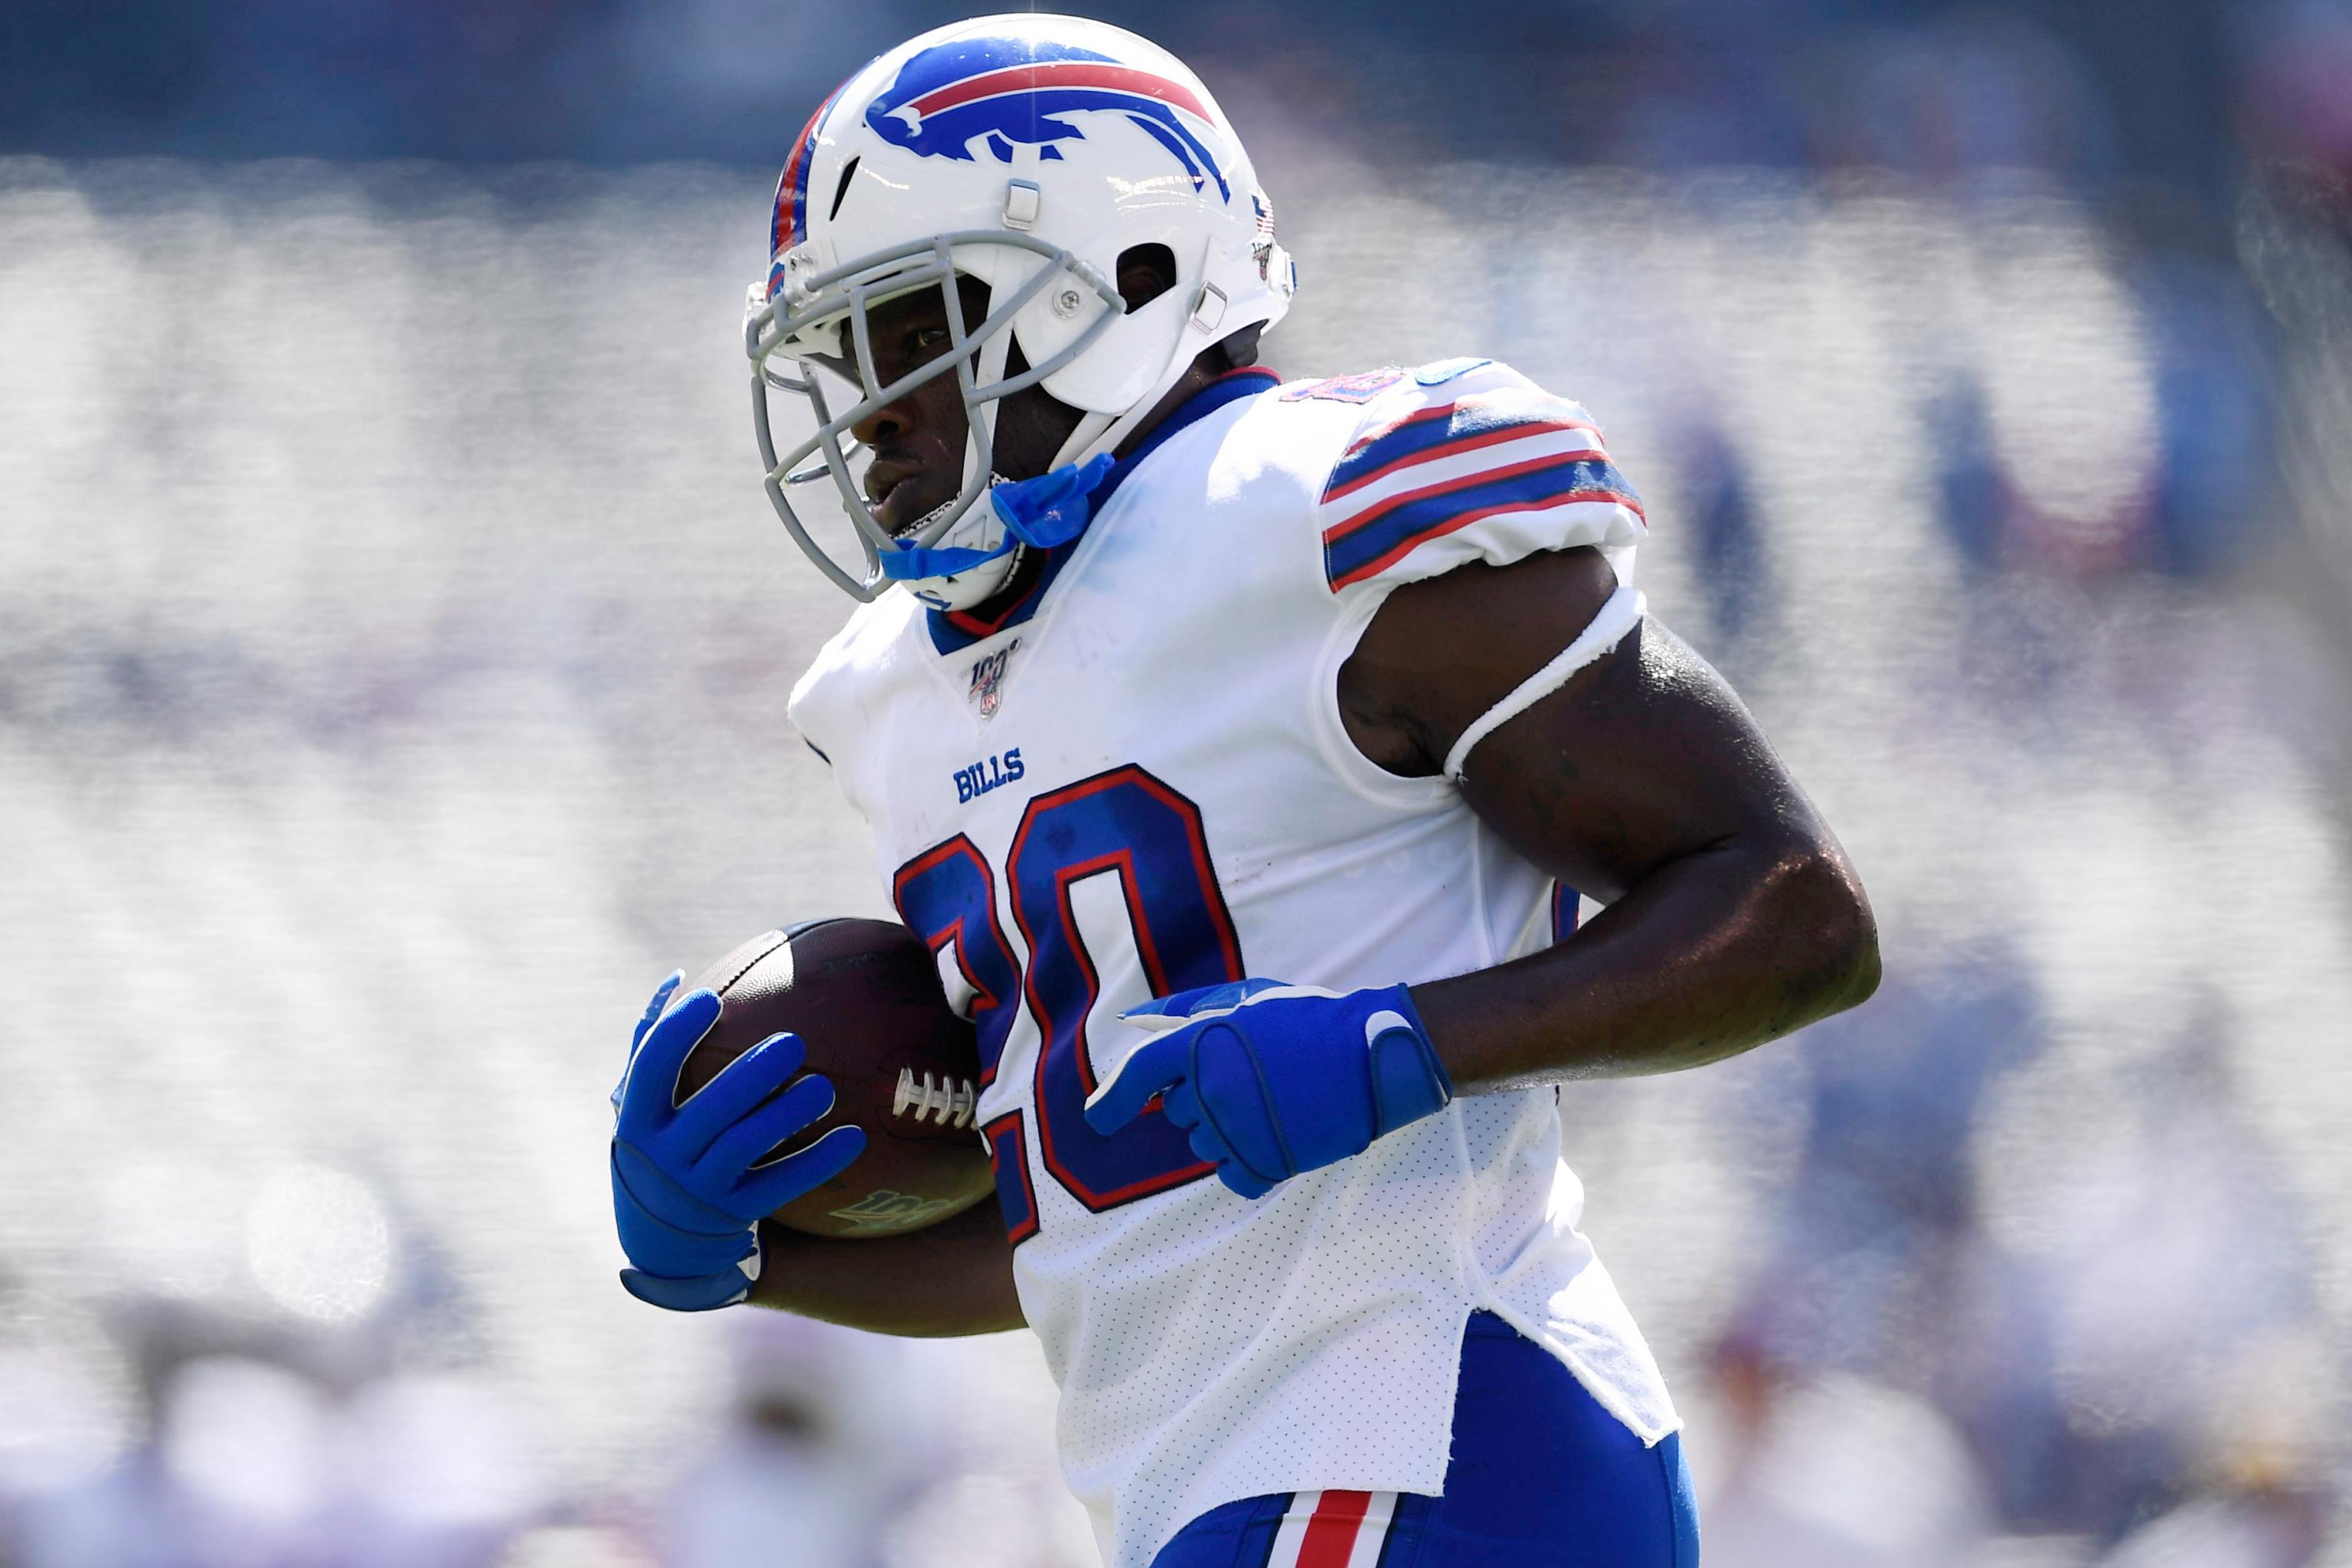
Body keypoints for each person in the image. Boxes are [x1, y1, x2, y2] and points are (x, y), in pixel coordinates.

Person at [608, 15, 1880, 1566]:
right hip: (1242, 1490)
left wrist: (1411, 1044)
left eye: (903, 325)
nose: (868, 411)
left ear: (1120, 277)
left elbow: (1795, 910)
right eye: (839, 354)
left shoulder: (1326, 505)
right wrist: (751, 1252)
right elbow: (1084, 1226)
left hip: (1437, 1435)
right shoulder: (899, 691)